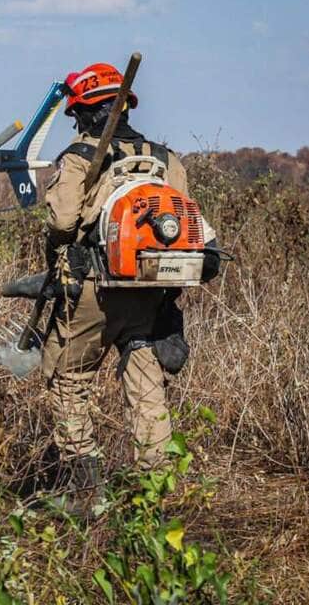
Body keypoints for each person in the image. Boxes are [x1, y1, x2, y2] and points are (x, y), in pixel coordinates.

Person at [41, 62, 211, 497]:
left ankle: (85, 486)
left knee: (70, 379)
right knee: (145, 373)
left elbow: (61, 223)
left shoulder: (79, 158)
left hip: (92, 289)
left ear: (82, 112)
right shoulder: (165, 159)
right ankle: (156, 483)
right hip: (147, 289)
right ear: (126, 107)